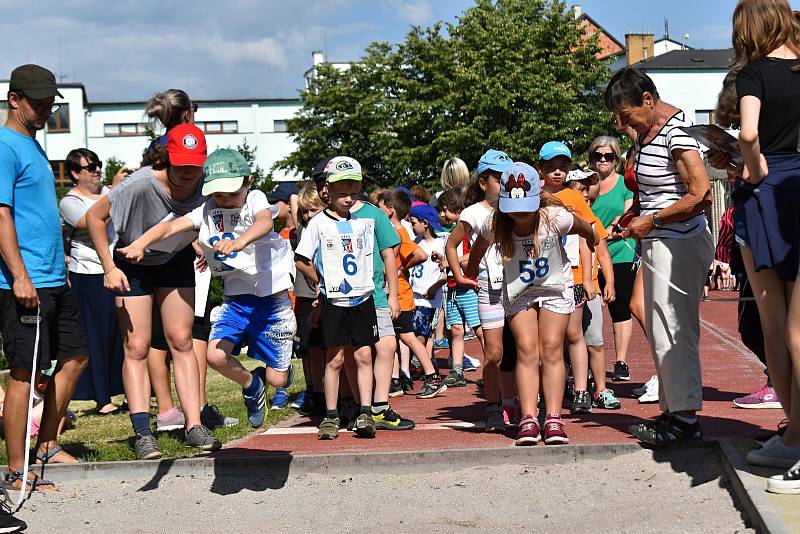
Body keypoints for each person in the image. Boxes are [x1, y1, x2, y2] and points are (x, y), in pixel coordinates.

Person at [117, 148, 296, 429]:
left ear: (247, 181)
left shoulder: (255, 199)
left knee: (279, 380)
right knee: (214, 355)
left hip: (271, 300)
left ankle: (274, 376)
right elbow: (171, 227)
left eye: (231, 193)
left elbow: (264, 222)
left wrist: (239, 242)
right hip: (237, 300)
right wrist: (141, 243)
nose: (225, 200)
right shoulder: (209, 208)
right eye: (219, 194)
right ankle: (251, 384)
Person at [86, 123, 220, 459]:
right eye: (182, 163)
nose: (189, 172)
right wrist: (109, 267)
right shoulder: (140, 183)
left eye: (196, 164)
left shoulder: (206, 182)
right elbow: (93, 217)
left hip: (172, 260)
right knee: (138, 345)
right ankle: (144, 432)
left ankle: (194, 426)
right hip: (131, 260)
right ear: (167, 158)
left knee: (181, 340)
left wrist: (196, 242)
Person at [605, 67, 714, 445]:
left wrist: (651, 219)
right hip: (660, 241)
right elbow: (657, 190)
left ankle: (685, 419)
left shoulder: (677, 133)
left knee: (673, 328)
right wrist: (635, 211)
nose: (620, 123)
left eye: (625, 114)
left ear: (648, 100)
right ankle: (674, 411)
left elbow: (700, 194)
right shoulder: (647, 133)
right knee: (660, 330)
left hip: (678, 242)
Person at [0, 65, 90, 492]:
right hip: (24, 281)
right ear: (14, 99)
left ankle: (47, 444)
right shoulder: (4, 145)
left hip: (55, 277)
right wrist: (19, 275)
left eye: (49, 103)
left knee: (75, 358)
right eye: (37, 103)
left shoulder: (33, 146)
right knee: (23, 372)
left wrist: (62, 269)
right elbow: (0, 215)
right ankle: (17, 470)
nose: (44, 110)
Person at [462, 161, 597, 445]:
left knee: (551, 348)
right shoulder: (496, 224)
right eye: (514, 210)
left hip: (553, 287)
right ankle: (528, 418)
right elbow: (477, 249)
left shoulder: (554, 217)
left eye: (526, 208)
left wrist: (594, 239)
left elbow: (586, 228)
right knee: (525, 348)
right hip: (519, 289)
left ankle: (554, 418)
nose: (520, 215)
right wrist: (471, 272)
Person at [728, 0, 800, 492]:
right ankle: (795, 435)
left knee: (779, 327)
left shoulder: (754, 74)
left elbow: (749, 132)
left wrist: (751, 167)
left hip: (768, 192)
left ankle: (797, 435)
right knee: (789, 328)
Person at [295, 156, 380, 440]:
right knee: (335, 358)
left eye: (353, 193)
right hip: (335, 300)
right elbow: (301, 259)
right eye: (342, 193)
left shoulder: (363, 221)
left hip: (362, 297)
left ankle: (365, 412)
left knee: (365, 354)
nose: (348, 199)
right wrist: (322, 283)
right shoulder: (318, 223)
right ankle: (330, 415)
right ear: (327, 192)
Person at [536, 142, 618, 415]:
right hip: (540, 278)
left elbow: (590, 239)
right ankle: (550, 392)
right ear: (541, 169)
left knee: (573, 334)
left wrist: (588, 278)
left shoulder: (574, 199)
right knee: (547, 340)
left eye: (562, 167)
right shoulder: (533, 195)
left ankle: (582, 389)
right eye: (551, 167)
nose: (557, 172)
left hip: (570, 277)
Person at [59, 148, 124, 416]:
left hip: (117, 268)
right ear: (76, 173)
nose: (98, 170)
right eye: (91, 166)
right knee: (95, 337)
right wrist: (117, 194)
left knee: (122, 336)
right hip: (87, 274)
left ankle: (130, 393)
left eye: (99, 165)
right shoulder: (69, 201)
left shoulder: (109, 192)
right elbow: (89, 222)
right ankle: (102, 398)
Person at [377, 189, 446, 399]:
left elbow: (420, 254)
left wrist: (400, 269)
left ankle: (432, 376)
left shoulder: (397, 231)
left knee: (407, 336)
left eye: (380, 210)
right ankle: (395, 381)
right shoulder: (396, 230)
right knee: (394, 336)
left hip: (399, 294)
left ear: (389, 211)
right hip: (395, 292)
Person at [587, 136, 638, 382]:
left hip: (621, 252)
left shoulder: (624, 185)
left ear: (616, 159)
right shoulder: (585, 184)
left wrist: (615, 225)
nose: (603, 160)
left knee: (620, 307)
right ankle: (586, 361)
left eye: (609, 156)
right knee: (587, 309)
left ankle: (621, 362)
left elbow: (630, 211)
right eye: (598, 155)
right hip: (589, 254)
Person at [291, 183, 327, 415]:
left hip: (325, 294)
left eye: (312, 209)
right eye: (304, 211)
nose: (307, 215)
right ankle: (314, 391)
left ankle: (328, 390)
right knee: (310, 347)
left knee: (328, 346)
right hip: (305, 295)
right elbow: (295, 198)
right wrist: (305, 200)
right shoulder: (303, 229)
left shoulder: (327, 226)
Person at [266, 181, 300, 410]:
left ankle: (313, 389)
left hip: (303, 294)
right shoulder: (277, 234)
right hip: (283, 296)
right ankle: (280, 390)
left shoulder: (300, 231)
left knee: (305, 346)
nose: (272, 208)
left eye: (276, 202)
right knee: (281, 341)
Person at [408, 203, 447, 369]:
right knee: (417, 332)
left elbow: (447, 274)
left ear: (425, 223)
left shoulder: (441, 243)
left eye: (413, 223)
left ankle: (422, 364)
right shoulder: (415, 242)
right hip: (413, 296)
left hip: (428, 299)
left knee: (421, 334)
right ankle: (426, 364)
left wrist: (434, 287)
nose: (411, 226)